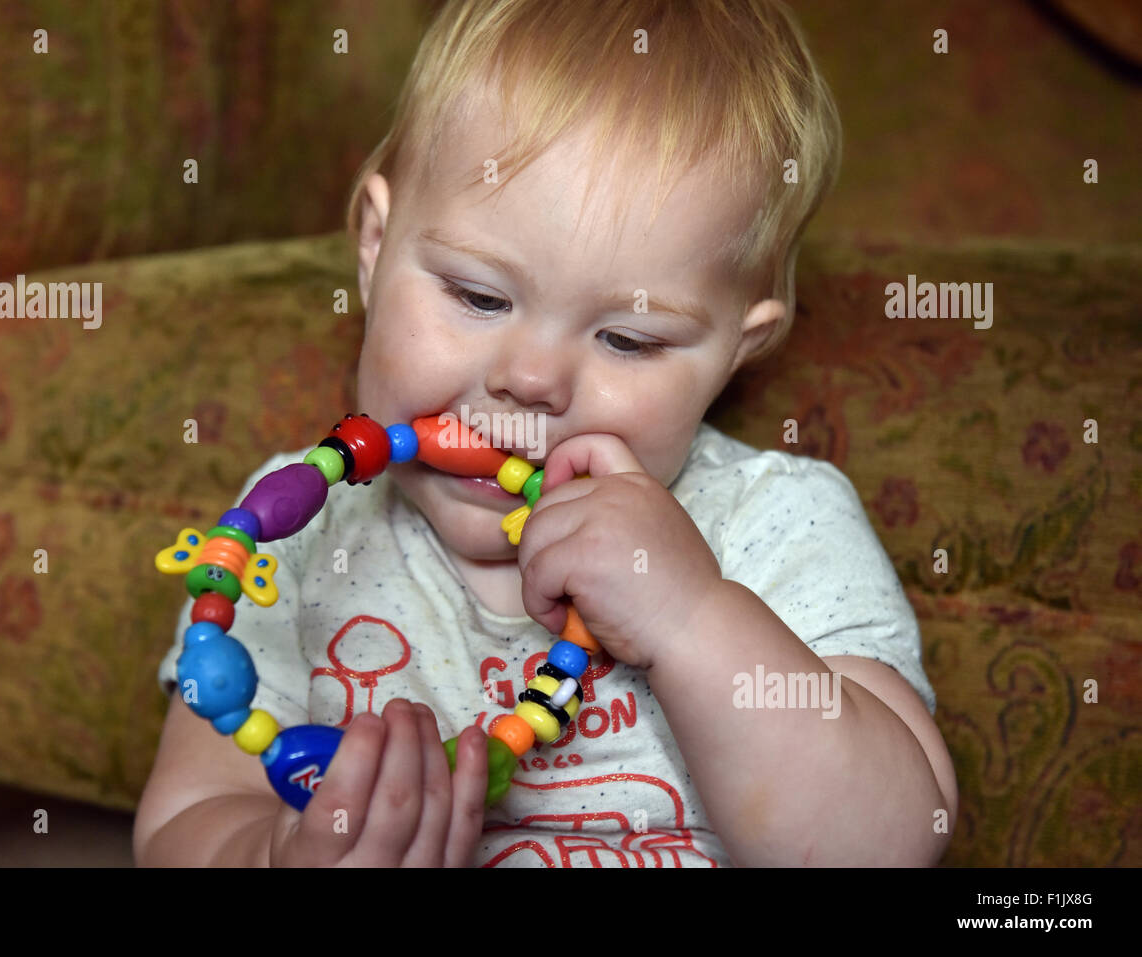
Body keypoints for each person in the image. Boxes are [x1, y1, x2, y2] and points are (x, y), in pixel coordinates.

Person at [134, 0, 958, 867]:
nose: (531, 379)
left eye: (628, 339)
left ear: (736, 351)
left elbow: (894, 844)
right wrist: (275, 854)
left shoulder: (777, 524)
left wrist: (688, 615)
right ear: (375, 247)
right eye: (479, 296)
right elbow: (185, 820)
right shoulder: (292, 537)